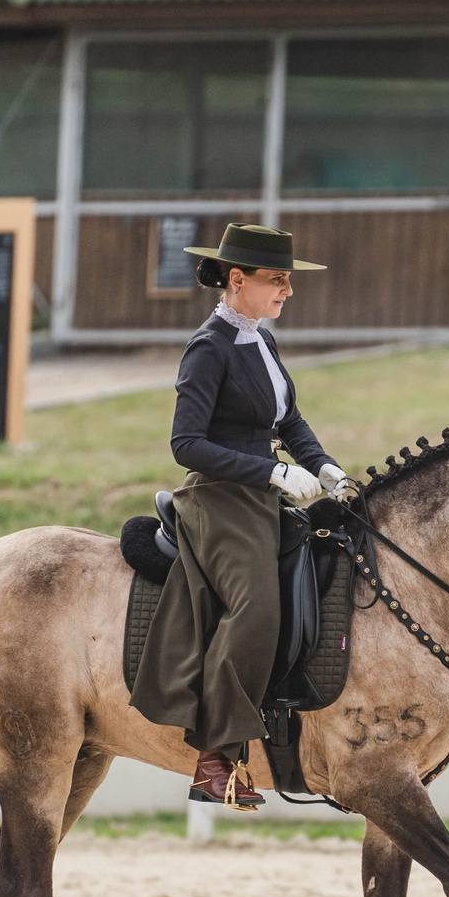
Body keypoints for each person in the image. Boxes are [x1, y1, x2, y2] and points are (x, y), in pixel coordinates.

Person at [133, 223, 355, 809]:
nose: (288, 290)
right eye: (277, 279)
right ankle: (215, 758)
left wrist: (324, 466)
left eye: (288, 280)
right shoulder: (209, 347)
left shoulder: (261, 340)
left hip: (262, 494)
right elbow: (186, 443)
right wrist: (271, 472)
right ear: (238, 279)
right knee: (257, 606)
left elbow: (289, 422)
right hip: (219, 498)